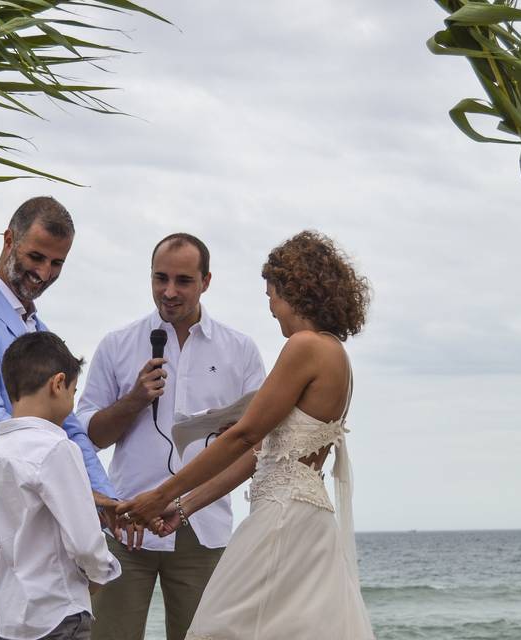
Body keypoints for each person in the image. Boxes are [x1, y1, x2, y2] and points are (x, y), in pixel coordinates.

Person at [118, 231, 376, 639]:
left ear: (296, 290)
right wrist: (184, 508)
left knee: (217, 629)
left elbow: (243, 436)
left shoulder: (304, 346)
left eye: (272, 294)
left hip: (282, 521)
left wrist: (160, 495)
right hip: (307, 520)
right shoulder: (335, 354)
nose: (272, 309)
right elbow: (259, 451)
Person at [0, 196, 118, 640]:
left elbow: (67, 427)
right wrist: (81, 496)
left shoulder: (38, 329)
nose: (44, 273)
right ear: (8, 239)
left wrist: (104, 500)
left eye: (57, 263)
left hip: (45, 536)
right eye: (36, 257)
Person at [76, 233, 267, 640]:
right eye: (160, 278)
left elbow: (258, 438)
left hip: (203, 523)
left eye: (183, 280)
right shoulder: (117, 345)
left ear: (206, 281)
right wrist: (134, 399)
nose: (169, 291)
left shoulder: (241, 350)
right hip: (127, 524)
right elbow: (88, 437)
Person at [0, 331, 122, 640]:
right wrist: (100, 573)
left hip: (11, 620)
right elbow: (85, 541)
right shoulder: (58, 449)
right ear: (58, 384)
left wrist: (17, 576)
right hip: (60, 614)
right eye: (73, 391)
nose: (72, 401)